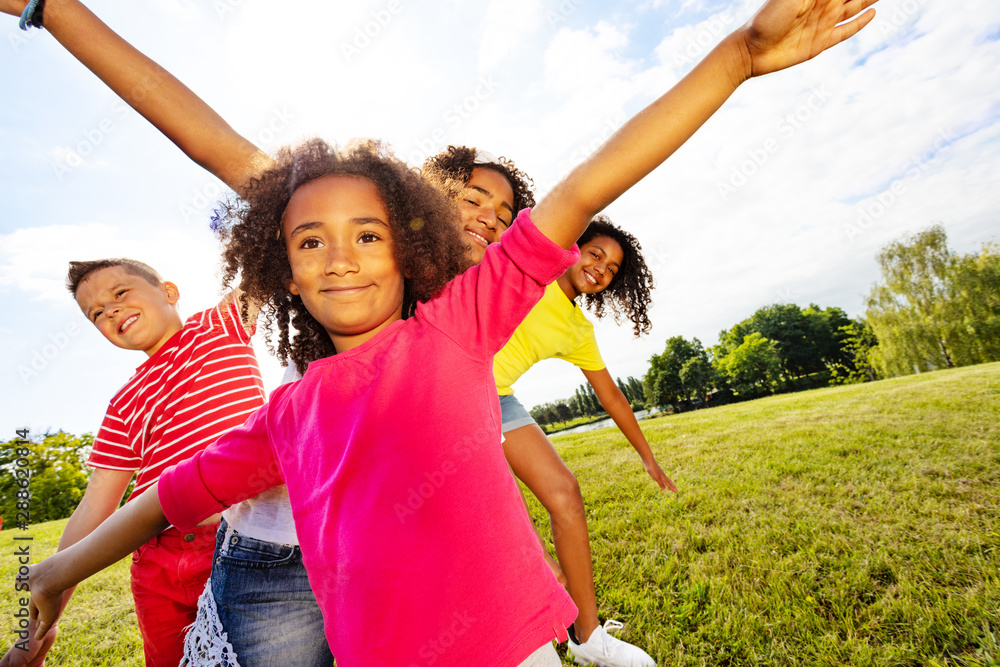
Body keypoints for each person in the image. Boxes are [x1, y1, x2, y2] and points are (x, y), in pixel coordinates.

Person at [5, 0, 881, 664]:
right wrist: (55, 571)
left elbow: (583, 188)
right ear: (279, 257)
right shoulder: (291, 410)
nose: (340, 257)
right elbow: (170, 493)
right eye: (312, 241)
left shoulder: (459, 325)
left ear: (412, 244)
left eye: (369, 237)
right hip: (288, 589)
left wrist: (737, 57)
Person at [4, 258, 265, 667]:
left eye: (120, 293)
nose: (109, 311)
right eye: (96, 314)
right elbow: (95, 505)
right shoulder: (123, 402)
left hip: (242, 539)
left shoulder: (218, 326)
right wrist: (43, 623)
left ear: (169, 292)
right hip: (157, 563)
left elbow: (268, 264)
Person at [495, 215, 676, 666]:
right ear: (574, 246)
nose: (601, 269)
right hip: (451, 391)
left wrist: (647, 456)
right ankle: (530, 614)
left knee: (565, 492)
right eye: (596, 254)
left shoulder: (577, 330)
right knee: (508, 526)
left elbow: (611, 395)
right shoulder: (525, 271)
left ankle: (587, 634)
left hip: (497, 398)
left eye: (612, 268)